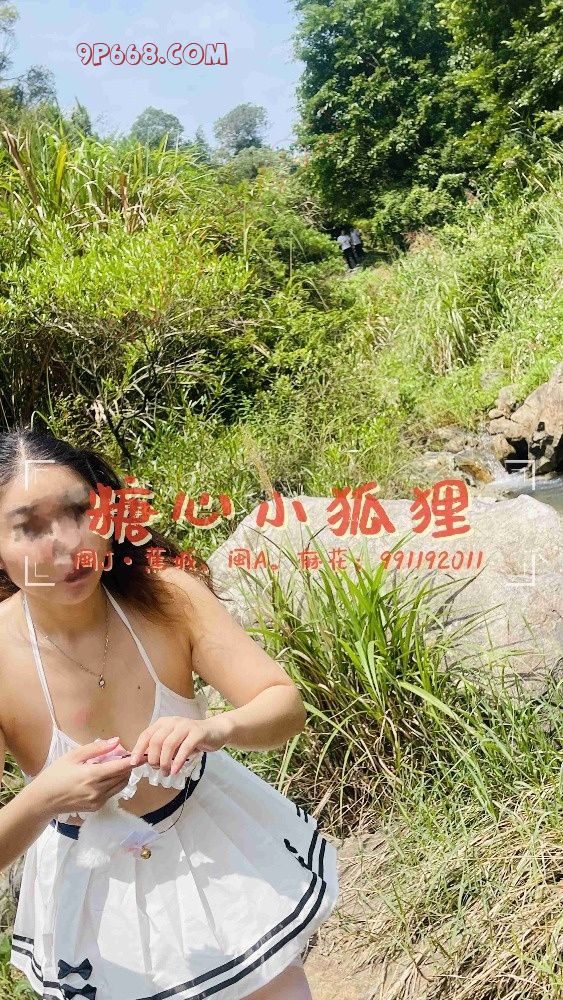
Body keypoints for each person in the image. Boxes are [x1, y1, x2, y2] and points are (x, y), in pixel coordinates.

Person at [0, 428, 339, 1000]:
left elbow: (283, 703)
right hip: (94, 901)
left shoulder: (168, 598)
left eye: (80, 511)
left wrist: (217, 728)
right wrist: (44, 798)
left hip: (216, 851)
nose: (68, 543)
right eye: (30, 527)